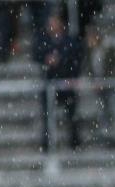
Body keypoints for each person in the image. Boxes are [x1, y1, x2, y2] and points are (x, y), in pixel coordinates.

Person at [39, 12, 83, 152]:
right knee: (47, 116)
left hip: (67, 83)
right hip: (50, 83)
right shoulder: (44, 41)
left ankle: (74, 142)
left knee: (71, 115)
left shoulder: (69, 41)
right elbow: (38, 55)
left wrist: (63, 63)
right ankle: (47, 143)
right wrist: (47, 60)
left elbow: (75, 59)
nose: (51, 26)